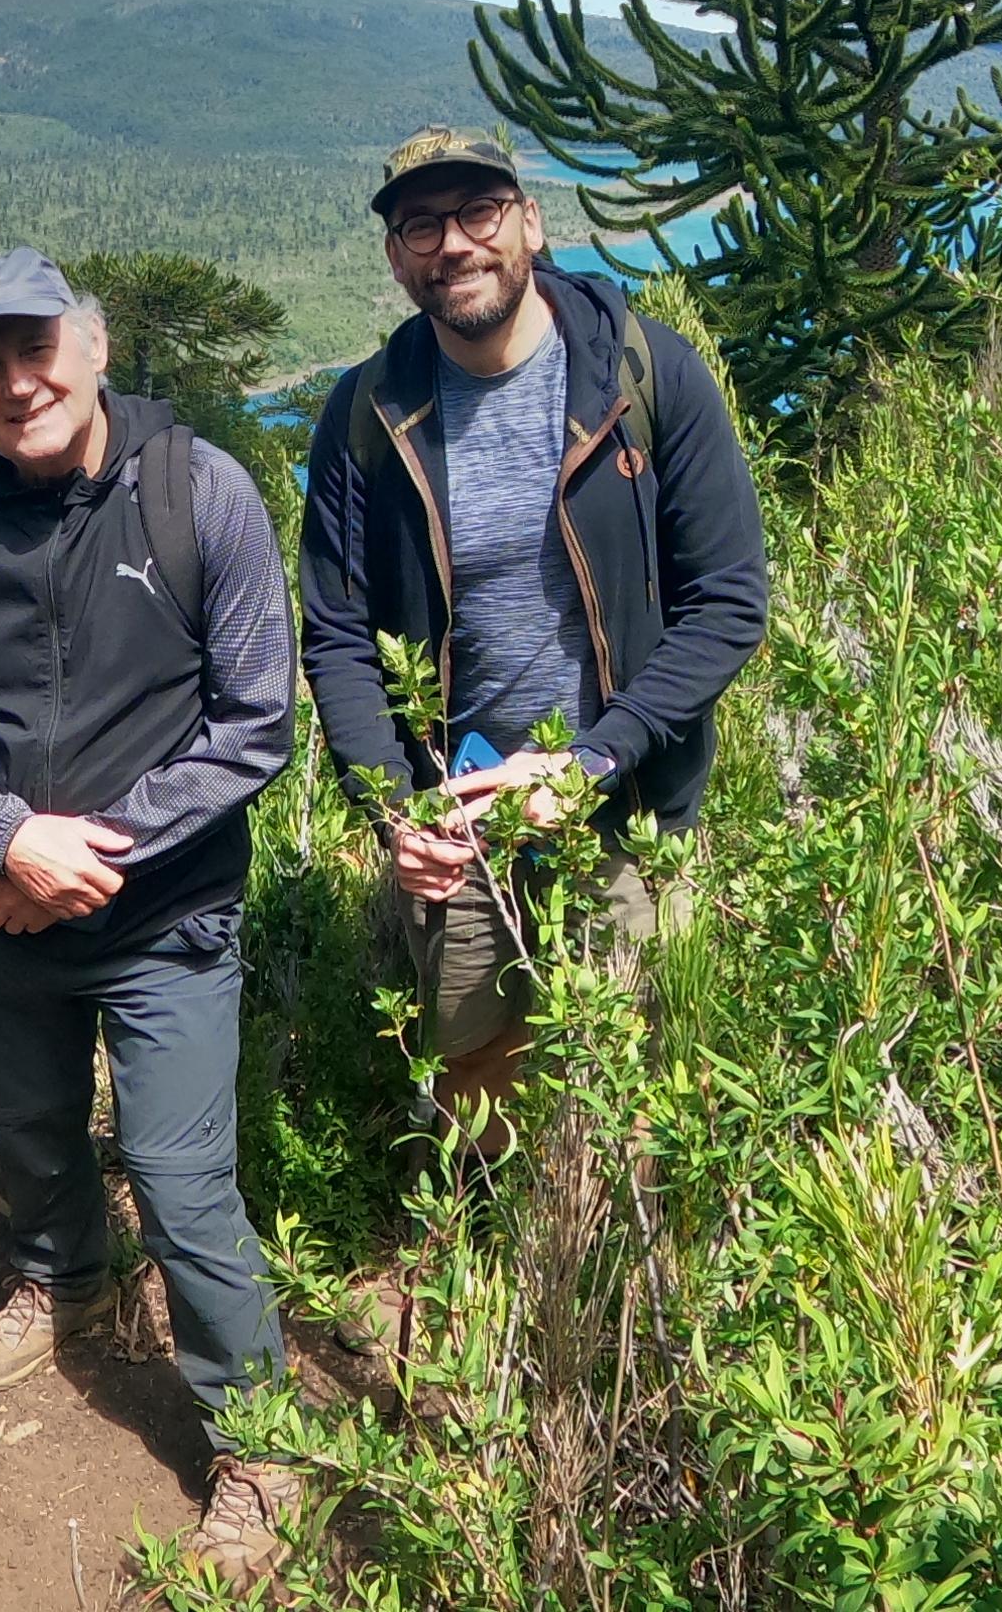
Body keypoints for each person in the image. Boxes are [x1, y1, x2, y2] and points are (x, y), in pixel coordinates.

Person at [0, 248, 304, 1587]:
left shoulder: (199, 493)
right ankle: (62, 1274)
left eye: (34, 351)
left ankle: (259, 1445)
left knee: (183, 1182)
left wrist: (76, 858)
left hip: (164, 915)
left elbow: (254, 729)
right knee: (32, 1133)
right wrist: (6, 840)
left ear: (96, 347)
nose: (14, 384)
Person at [298, 126, 769, 1124]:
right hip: (460, 820)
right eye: (421, 226)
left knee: (633, 1105)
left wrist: (591, 761)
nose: (454, 244)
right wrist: (393, 806)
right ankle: (483, 1266)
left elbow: (727, 603)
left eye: (479, 212)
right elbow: (337, 631)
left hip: (624, 805)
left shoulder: (645, 373)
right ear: (394, 258)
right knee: (479, 1098)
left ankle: (616, 1286)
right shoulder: (367, 413)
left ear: (529, 223)